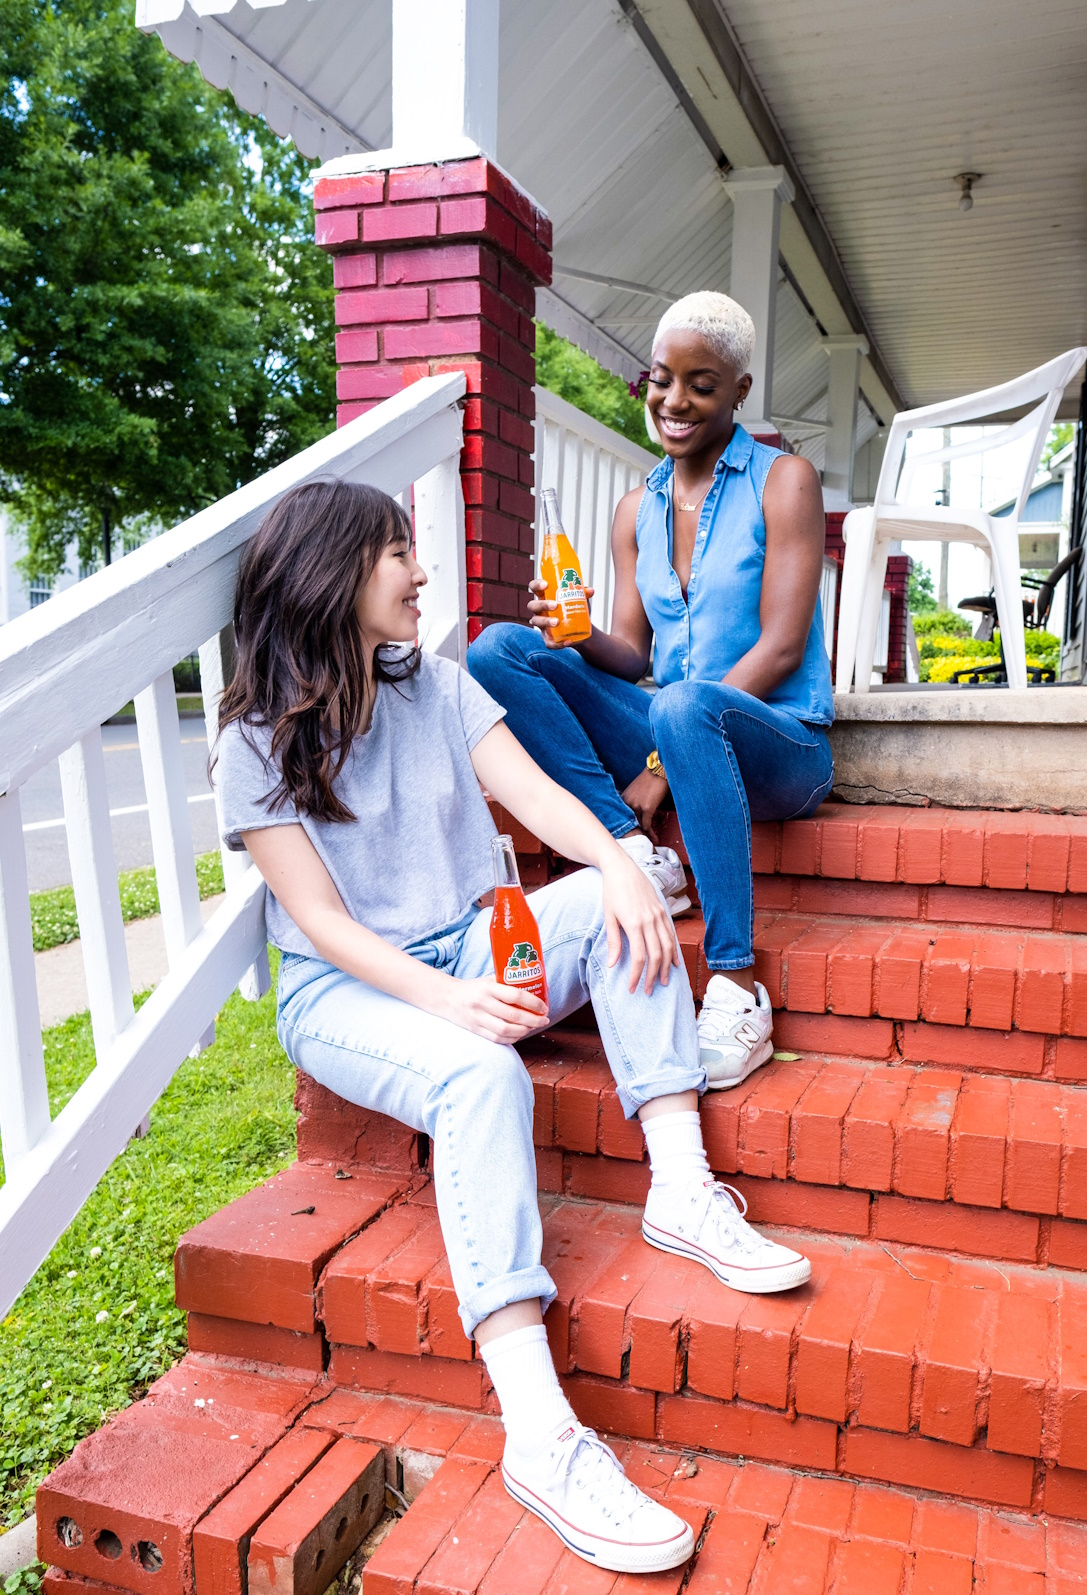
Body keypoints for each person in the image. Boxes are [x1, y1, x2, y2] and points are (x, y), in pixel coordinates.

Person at [212, 479, 811, 1578]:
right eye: (400, 552)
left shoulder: (437, 687)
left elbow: (534, 797)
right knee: (482, 1079)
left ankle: (679, 1186)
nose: (422, 572)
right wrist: (447, 1003)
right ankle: (540, 1430)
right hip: (347, 988)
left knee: (610, 898)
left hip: (466, 941)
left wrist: (620, 864)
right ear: (334, 570)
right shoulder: (257, 738)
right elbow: (320, 923)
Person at [468, 291, 833, 1093]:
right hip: (673, 720)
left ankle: (737, 985)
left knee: (682, 703)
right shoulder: (637, 506)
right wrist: (574, 635)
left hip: (781, 743)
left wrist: (659, 766)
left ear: (739, 392)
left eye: (702, 384)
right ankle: (636, 852)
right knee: (499, 650)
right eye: (661, 379)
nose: (674, 401)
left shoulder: (786, 482)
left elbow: (778, 649)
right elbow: (632, 654)